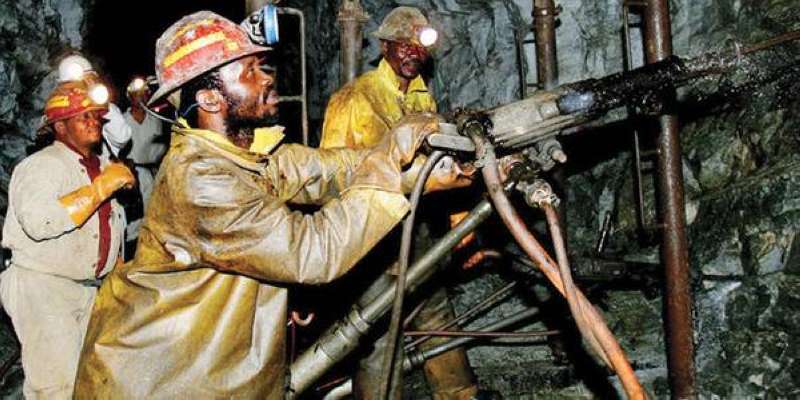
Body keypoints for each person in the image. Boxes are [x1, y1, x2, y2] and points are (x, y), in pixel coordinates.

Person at [74, 11, 458, 398]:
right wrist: (392, 155)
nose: (267, 77)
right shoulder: (200, 179)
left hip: (212, 365)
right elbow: (312, 250)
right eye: (249, 71)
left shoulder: (242, 157)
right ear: (209, 98)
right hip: (163, 379)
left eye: (260, 66)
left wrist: (415, 174)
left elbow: (327, 170)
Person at [320, 6, 491, 400]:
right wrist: (340, 246)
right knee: (380, 332)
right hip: (375, 238)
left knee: (435, 313)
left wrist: (460, 225)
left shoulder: (422, 99)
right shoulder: (355, 98)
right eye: (404, 45)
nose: (414, 52)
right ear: (384, 47)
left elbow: (445, 168)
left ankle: (460, 393)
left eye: (420, 46)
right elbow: (329, 175)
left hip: (421, 230)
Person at [0, 79, 134, 398]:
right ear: (60, 127)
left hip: (87, 288)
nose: (94, 121)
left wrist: (115, 267)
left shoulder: (101, 166)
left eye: (96, 115)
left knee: (89, 379)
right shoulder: (40, 166)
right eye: (83, 117)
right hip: (43, 287)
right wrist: (100, 188)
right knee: (56, 387)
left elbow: (108, 225)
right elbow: (39, 222)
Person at [121, 77, 167, 256]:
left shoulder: (155, 119)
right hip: (132, 173)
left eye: (145, 94)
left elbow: (161, 147)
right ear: (130, 98)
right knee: (134, 218)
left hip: (153, 172)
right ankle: (129, 251)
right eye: (137, 95)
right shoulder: (122, 121)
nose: (141, 98)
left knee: (153, 214)